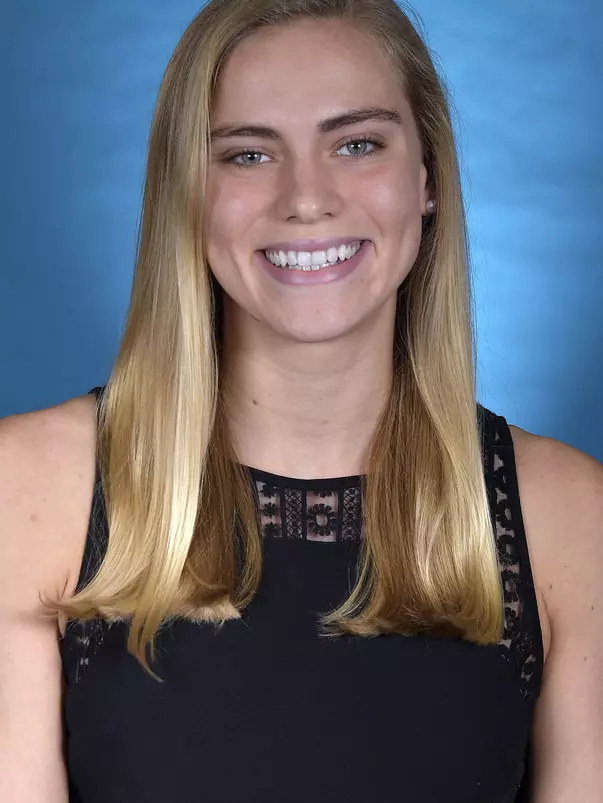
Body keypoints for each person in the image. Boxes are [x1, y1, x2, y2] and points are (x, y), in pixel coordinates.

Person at [1, 0, 601, 800]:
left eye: (356, 144)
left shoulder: (569, 515)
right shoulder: (28, 491)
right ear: (188, 192)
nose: (306, 198)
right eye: (248, 155)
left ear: (427, 178)